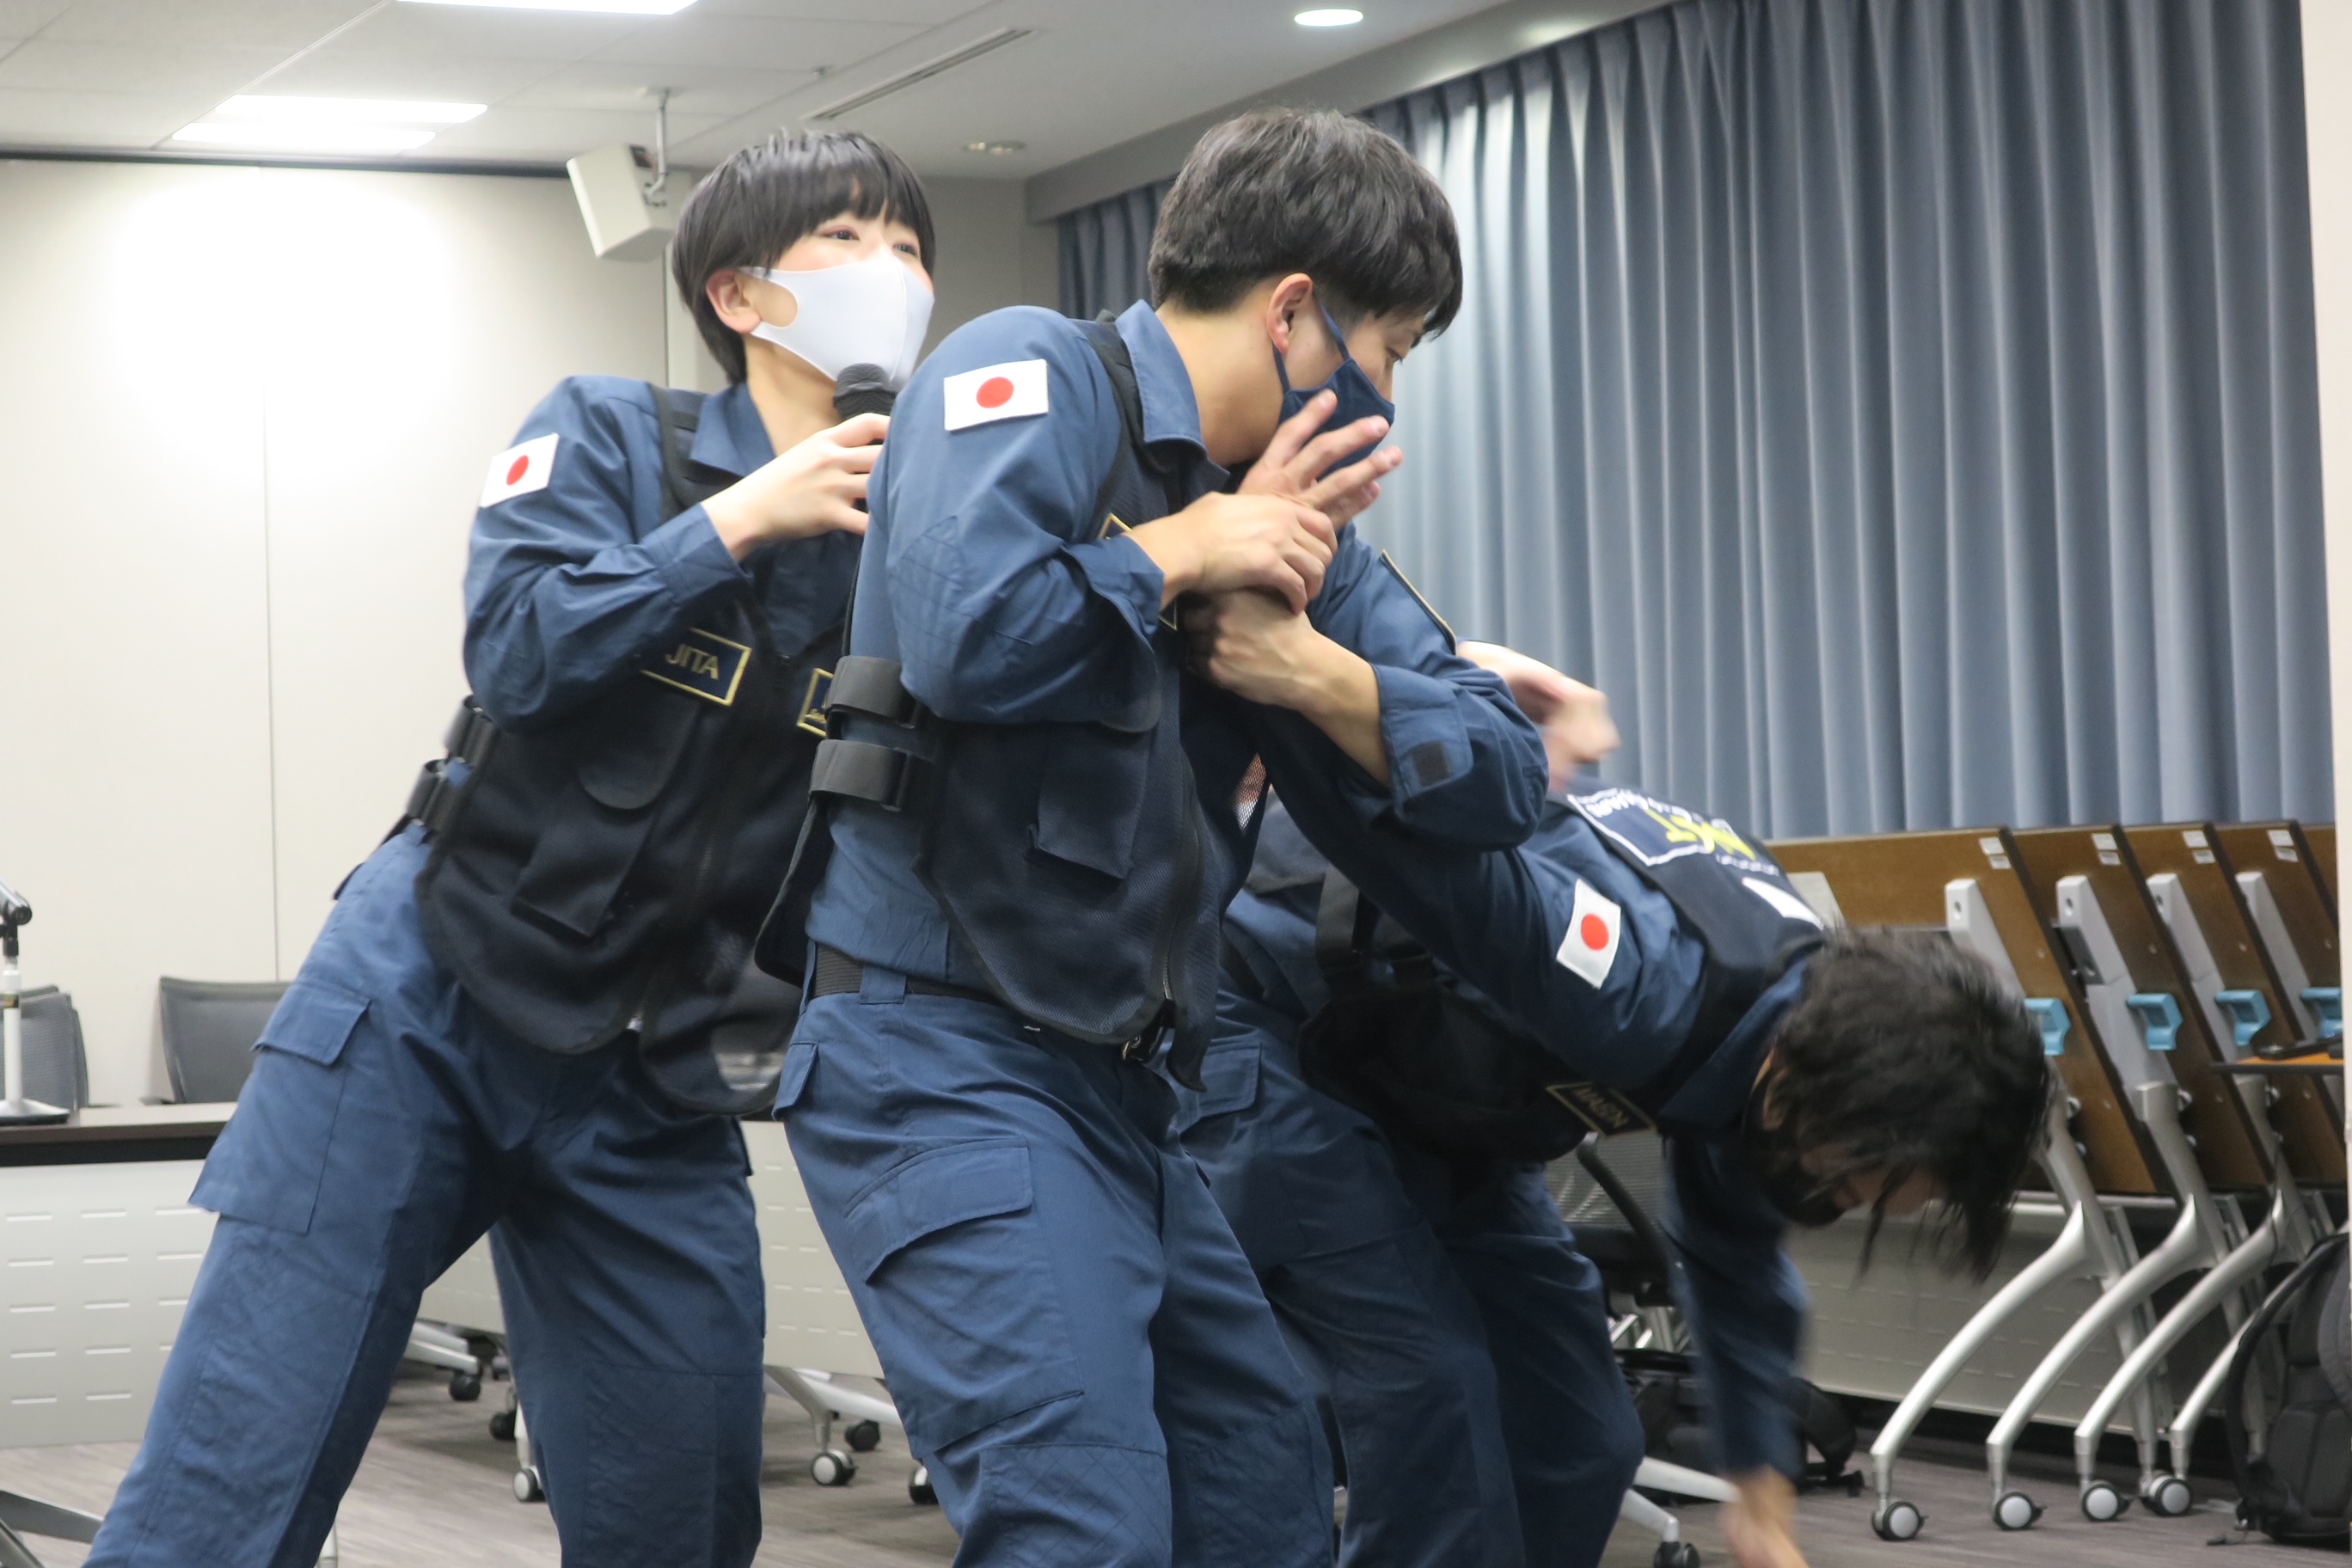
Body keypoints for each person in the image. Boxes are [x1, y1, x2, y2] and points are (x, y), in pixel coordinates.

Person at [85, 129, 934, 1568]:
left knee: (685, 1517)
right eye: (853, 241)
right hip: (423, 1010)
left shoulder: (917, 549)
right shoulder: (612, 434)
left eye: (915, 248)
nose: (898, 274)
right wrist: (734, 522)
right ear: (743, 294)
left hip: (652, 1081)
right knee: (234, 1484)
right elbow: (522, 649)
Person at [769, 107, 1549, 1566]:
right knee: (1086, 1529)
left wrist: (1307, 669)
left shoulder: (1300, 527)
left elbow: (1503, 771)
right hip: (943, 1059)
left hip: (1130, 1096)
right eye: (1394, 352)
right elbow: (964, 630)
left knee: (1256, 1503)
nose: (1388, 398)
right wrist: (1183, 551)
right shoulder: (1031, 376)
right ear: (1298, 312)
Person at [1176, 617, 2049, 1568]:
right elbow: (1401, 838)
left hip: (1436, 1093)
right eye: (1859, 1183)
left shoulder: (1797, 1017)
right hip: (1265, 1026)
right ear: (1830, 1095)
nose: (1844, 1204)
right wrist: (1403, 692)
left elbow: (1739, 1252)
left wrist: (1762, 1494)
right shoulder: (1639, 987)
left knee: (1579, 1435)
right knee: (1436, 1395)